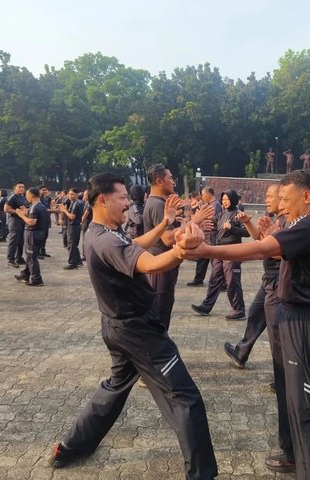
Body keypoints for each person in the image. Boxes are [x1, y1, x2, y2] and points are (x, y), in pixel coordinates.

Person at [47, 173, 217, 479]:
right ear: (103, 199)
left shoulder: (104, 233)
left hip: (119, 328)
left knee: (114, 388)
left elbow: (135, 243)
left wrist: (165, 223)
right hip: (138, 332)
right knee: (184, 396)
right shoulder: (106, 240)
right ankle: (202, 473)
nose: (128, 203)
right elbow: (149, 264)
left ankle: (70, 447)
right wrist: (181, 251)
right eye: (123, 198)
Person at [178, 170, 310, 480]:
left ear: (307, 197)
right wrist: (259, 232)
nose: (281, 206)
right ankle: (295, 457)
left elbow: (262, 250)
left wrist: (207, 250)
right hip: (293, 315)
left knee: (309, 402)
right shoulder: (299, 224)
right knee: (291, 394)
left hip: (307, 321)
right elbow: (272, 248)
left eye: (286, 200)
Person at [143, 164, 214, 330]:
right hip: (160, 267)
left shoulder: (160, 203)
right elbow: (167, 239)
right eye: (170, 178)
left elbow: (171, 234)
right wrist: (194, 221)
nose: (173, 182)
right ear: (159, 181)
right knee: (159, 316)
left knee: (163, 312)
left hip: (165, 267)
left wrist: (193, 228)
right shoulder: (157, 205)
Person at [224, 184, 284, 369]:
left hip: (278, 279)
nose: (266, 199)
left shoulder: (287, 222)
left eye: (269, 196)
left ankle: (283, 376)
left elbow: (269, 249)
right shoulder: (276, 219)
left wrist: (216, 252)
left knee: (276, 329)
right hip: (269, 278)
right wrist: (248, 222)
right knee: (256, 314)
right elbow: (261, 240)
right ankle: (241, 353)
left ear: (282, 198)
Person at [191, 189, 250, 320]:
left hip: (232, 252)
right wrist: (199, 222)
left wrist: (232, 228)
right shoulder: (221, 214)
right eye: (223, 200)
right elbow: (212, 224)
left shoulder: (238, 214)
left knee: (232, 281)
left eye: (227, 199)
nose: (225, 202)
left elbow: (247, 233)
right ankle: (206, 306)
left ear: (233, 200)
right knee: (214, 278)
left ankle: (239, 310)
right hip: (219, 251)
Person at [187, 187, 223, 287]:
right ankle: (198, 279)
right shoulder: (209, 205)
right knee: (202, 258)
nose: (202, 197)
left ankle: (222, 283)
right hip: (206, 236)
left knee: (214, 261)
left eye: (203, 194)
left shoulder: (215, 205)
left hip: (212, 235)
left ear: (208, 194)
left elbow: (213, 220)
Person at [13, 187, 48, 286]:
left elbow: (32, 222)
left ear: (31, 195)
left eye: (27, 195)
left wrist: (21, 215)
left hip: (33, 234)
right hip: (40, 233)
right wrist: (26, 213)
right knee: (30, 256)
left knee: (32, 257)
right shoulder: (41, 206)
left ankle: (36, 279)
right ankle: (25, 274)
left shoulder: (34, 207)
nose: (26, 197)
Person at [60, 188, 85, 270]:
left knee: (71, 244)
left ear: (77, 195)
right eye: (69, 194)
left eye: (72, 194)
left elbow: (72, 216)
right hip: (75, 225)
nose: (70, 196)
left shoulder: (76, 203)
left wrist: (64, 210)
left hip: (73, 225)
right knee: (74, 244)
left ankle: (72, 263)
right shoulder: (76, 202)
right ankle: (78, 261)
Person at [4, 181, 28, 268]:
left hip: (22, 221)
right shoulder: (12, 197)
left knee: (21, 240)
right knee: (13, 240)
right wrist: (18, 212)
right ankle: (10, 260)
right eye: (19, 187)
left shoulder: (23, 198)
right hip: (14, 221)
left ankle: (19, 258)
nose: (22, 188)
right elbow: (6, 209)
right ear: (15, 188)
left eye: (23, 187)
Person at [38, 185, 52, 258]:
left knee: (45, 236)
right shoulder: (38, 199)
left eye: (46, 190)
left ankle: (42, 251)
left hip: (46, 220)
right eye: (43, 190)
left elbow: (48, 208)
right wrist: (54, 210)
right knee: (40, 237)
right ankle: (38, 252)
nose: (45, 191)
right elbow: (43, 209)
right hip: (41, 221)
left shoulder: (45, 199)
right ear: (39, 191)